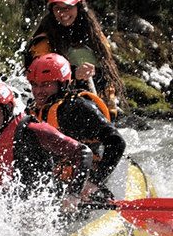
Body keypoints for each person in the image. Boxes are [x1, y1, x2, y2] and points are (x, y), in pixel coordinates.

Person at [0, 80, 93, 205]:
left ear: (7, 108)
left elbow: (83, 152)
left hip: (41, 212)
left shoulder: (33, 131)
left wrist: (73, 194)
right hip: (2, 216)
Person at [27, 53, 126, 201]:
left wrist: (94, 182)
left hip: (92, 177)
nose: (38, 91)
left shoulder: (77, 109)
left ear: (62, 84)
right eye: (35, 84)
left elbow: (117, 142)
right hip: (61, 181)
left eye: (46, 84)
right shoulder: (33, 111)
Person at [25, 0, 125, 118]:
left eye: (68, 7)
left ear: (79, 7)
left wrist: (109, 112)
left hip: (91, 104)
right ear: (51, 10)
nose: (63, 13)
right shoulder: (44, 40)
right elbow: (39, 78)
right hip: (56, 107)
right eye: (57, 8)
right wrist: (74, 74)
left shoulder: (94, 37)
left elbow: (107, 75)